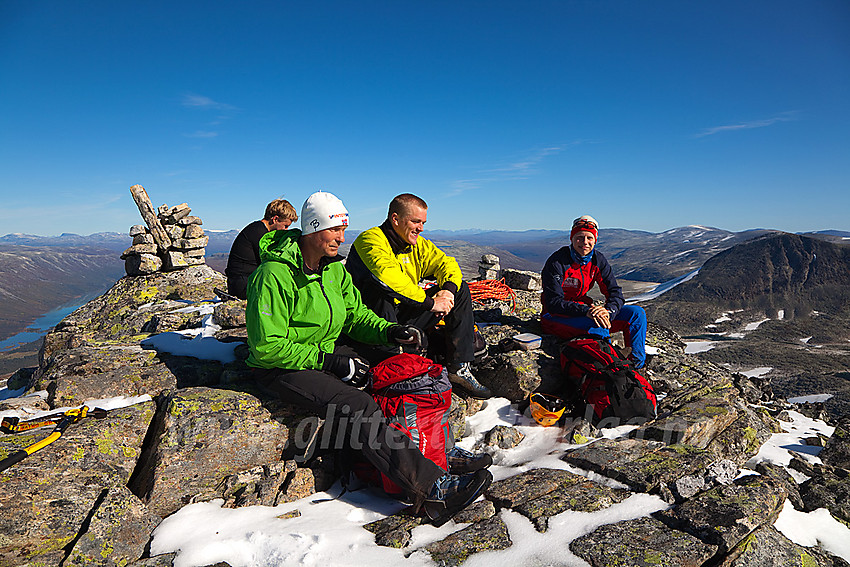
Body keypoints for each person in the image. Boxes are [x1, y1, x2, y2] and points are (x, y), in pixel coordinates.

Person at [245, 191, 492, 525]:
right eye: (335, 231)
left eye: (342, 230)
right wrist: (331, 363)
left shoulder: (332, 270)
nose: (341, 238)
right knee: (359, 405)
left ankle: (440, 453)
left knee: (400, 375)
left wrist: (389, 332)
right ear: (314, 229)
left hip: (324, 351)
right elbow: (267, 346)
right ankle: (432, 488)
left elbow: (355, 316)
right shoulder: (273, 275)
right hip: (282, 366)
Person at [345, 193, 492, 399]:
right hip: (373, 321)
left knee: (461, 289)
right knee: (381, 291)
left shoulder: (416, 244)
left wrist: (447, 292)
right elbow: (390, 279)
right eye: (415, 221)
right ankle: (392, 365)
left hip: (401, 313)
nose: (420, 228)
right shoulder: (370, 240)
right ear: (395, 219)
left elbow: (446, 263)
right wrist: (432, 303)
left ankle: (458, 367)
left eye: (423, 222)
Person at [540, 215, 648, 368]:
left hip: (584, 313)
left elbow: (614, 292)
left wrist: (608, 312)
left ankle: (635, 366)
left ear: (595, 240)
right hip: (555, 317)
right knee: (599, 327)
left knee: (636, 314)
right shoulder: (557, 262)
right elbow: (554, 303)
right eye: (580, 237)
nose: (585, 242)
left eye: (589, 238)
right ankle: (614, 369)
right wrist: (586, 311)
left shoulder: (597, 260)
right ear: (572, 238)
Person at [225, 199, 298, 299]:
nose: (286, 230)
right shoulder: (259, 234)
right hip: (242, 286)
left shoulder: (256, 229)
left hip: (239, 282)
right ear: (275, 219)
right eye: (285, 226)